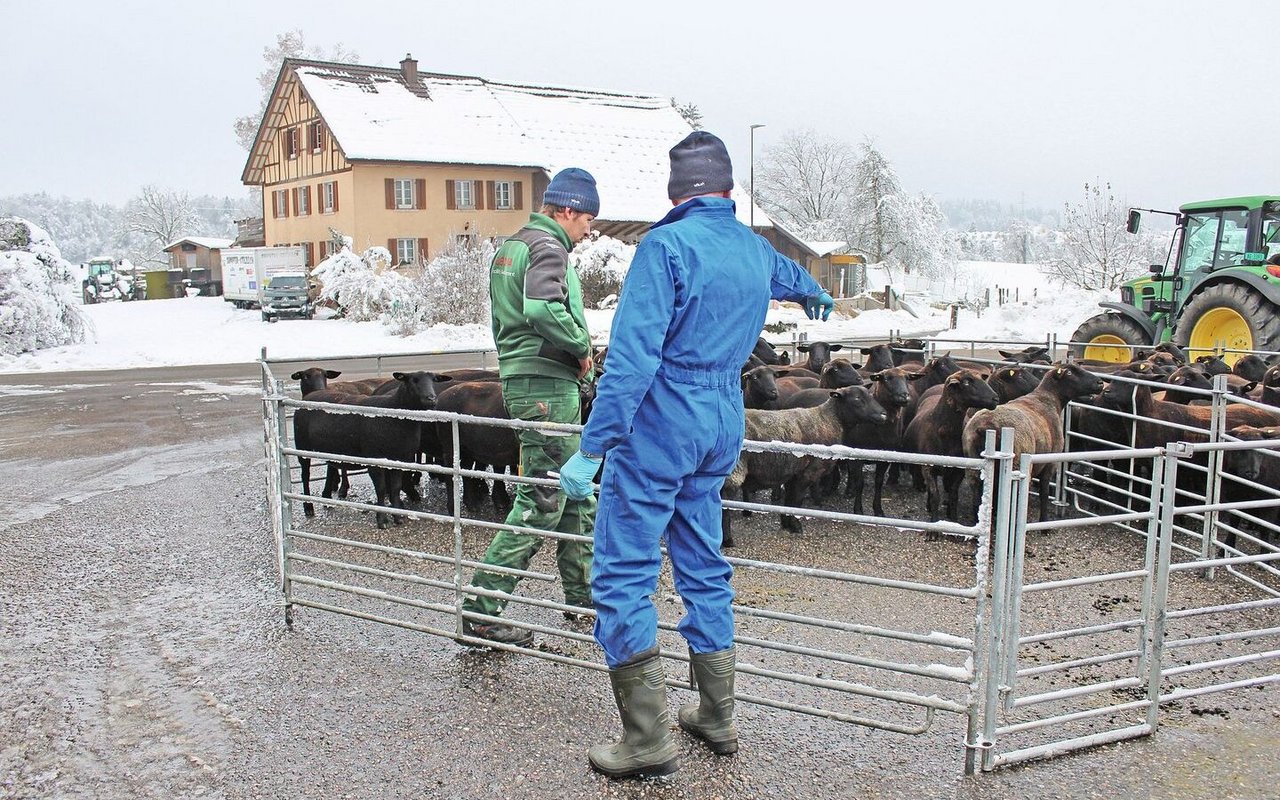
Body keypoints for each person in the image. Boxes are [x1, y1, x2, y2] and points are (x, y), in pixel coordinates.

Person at [558, 131, 833, 778]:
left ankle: (646, 739)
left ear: (676, 193)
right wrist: (811, 293)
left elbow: (630, 361)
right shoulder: (750, 245)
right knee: (703, 561)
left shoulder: (665, 246)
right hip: (722, 418)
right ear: (728, 190)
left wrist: (592, 447)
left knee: (623, 570)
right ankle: (715, 714)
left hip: (663, 419)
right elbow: (792, 276)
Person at [460, 167, 600, 647]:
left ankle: (585, 599)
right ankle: (481, 609)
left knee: (574, 494)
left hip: (528, 379)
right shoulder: (548, 246)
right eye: (586, 219)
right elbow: (542, 309)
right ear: (564, 210)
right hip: (547, 383)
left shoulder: (511, 246)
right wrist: (581, 347)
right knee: (542, 499)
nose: (588, 229)